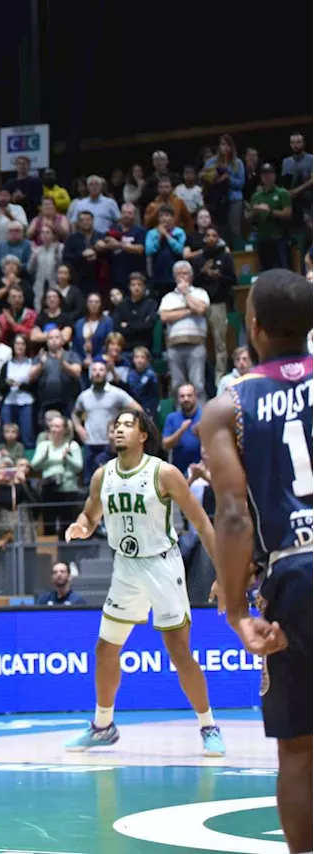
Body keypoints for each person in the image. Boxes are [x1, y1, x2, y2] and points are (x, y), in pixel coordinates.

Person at [200, 268, 314, 852]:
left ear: (253, 326)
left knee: (298, 748)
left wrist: (238, 608)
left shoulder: (228, 407)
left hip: (294, 571)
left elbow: (236, 516)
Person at [63, 408, 224, 757]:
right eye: (116, 425)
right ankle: (103, 726)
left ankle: (208, 725)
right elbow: (91, 515)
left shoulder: (163, 473)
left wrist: (223, 576)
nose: (118, 430)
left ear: (142, 436)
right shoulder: (102, 475)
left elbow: (202, 524)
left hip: (162, 566)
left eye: (126, 425)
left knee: (179, 653)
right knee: (105, 649)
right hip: (125, 567)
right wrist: (81, 526)